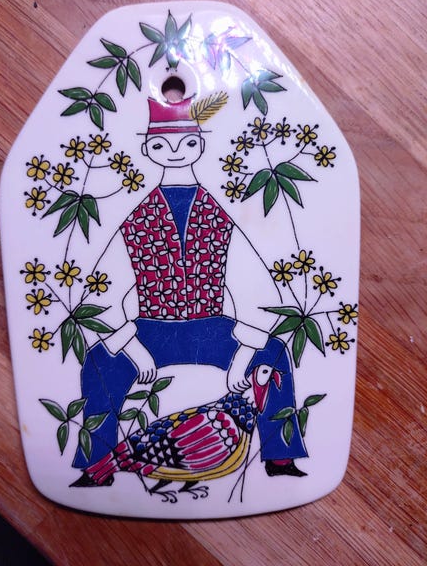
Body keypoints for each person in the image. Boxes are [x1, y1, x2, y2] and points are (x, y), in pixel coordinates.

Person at [72, 94, 307, 480]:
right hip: (150, 329)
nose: (175, 152)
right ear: (147, 149)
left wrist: (243, 355)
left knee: (273, 354)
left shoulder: (218, 217)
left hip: (212, 327)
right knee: (99, 362)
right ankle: (96, 467)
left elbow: (258, 290)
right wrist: (133, 349)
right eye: (161, 145)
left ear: (200, 145)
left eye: (188, 143)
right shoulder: (137, 220)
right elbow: (101, 294)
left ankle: (280, 458)